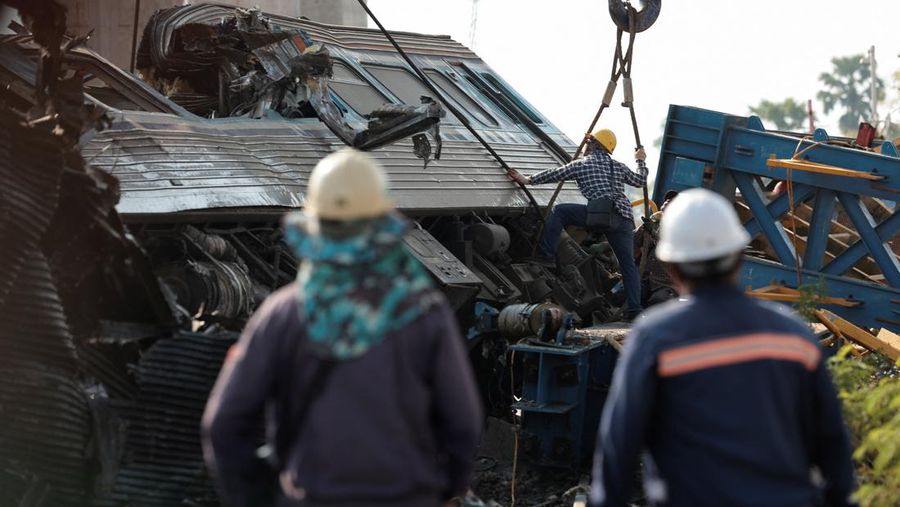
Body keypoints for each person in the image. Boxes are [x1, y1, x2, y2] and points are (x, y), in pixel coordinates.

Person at [202, 148, 483, 507]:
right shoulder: (425, 311)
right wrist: (447, 488)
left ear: (314, 227)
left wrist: (254, 497)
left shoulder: (284, 312)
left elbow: (225, 423)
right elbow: (462, 421)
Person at [590, 188, 856, 507]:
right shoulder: (795, 337)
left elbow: (619, 449)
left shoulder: (655, 338)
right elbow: (834, 446)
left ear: (672, 269)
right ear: (740, 257)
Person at [506, 129, 648, 319]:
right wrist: (640, 159)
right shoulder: (618, 166)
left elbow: (556, 174)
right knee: (628, 266)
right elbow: (641, 180)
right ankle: (635, 310)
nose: (584, 146)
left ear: (592, 145)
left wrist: (528, 179)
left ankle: (546, 255)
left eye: (588, 143)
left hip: (600, 216)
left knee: (560, 211)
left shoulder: (583, 164)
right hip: (624, 219)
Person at [633, 190, 679, 307]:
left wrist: (652, 232)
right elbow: (632, 240)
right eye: (667, 200)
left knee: (658, 302)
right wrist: (645, 228)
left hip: (665, 284)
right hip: (645, 279)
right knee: (622, 296)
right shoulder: (654, 223)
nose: (668, 201)